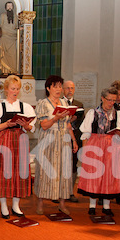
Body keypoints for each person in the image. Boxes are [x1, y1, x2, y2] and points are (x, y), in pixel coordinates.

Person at [0, 75, 36, 218]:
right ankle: (3, 205)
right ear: (6, 89)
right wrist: (7, 124)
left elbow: (31, 127)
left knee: (20, 171)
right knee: (5, 172)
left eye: (17, 89)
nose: (15, 91)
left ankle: (16, 205)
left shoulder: (25, 107)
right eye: (13, 88)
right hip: (5, 139)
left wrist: (26, 125)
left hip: (20, 139)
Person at [78, 87, 120, 216]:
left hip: (113, 147)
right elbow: (86, 133)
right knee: (94, 175)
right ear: (102, 98)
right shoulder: (92, 113)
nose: (111, 103)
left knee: (109, 176)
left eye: (113, 100)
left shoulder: (119, 114)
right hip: (95, 145)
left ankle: (106, 206)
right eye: (109, 100)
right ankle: (92, 205)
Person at [33, 75, 79, 215]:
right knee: (45, 171)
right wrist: (55, 118)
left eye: (60, 86)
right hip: (48, 139)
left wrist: (74, 140)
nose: (59, 89)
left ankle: (62, 203)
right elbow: (44, 125)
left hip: (63, 139)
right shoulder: (43, 103)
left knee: (63, 171)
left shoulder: (64, 103)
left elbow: (68, 124)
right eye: (55, 86)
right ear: (48, 88)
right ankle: (40, 203)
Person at [63, 80, 85, 202]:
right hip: (61, 137)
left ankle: (70, 192)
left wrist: (75, 120)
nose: (70, 90)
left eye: (72, 88)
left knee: (73, 165)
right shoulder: (59, 103)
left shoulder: (79, 104)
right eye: (67, 88)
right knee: (61, 164)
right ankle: (59, 192)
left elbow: (83, 123)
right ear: (63, 90)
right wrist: (68, 120)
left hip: (74, 137)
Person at [0, 2, 18, 74]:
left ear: (13, 7)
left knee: (13, 56)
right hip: (4, 38)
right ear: (6, 8)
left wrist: (20, 29)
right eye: (8, 6)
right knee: (4, 56)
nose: (9, 8)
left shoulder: (16, 17)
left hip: (13, 39)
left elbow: (16, 27)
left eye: (11, 6)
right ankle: (5, 71)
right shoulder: (2, 16)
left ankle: (13, 71)